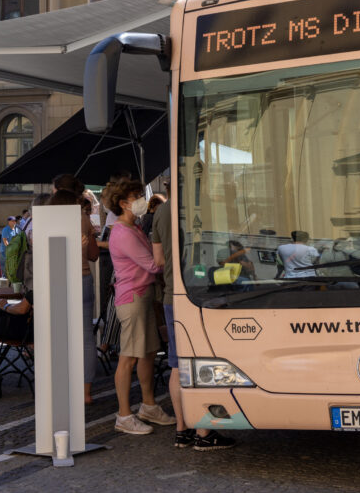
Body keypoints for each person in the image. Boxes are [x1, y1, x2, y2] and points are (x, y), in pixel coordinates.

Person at [151, 198, 235, 451]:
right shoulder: (204, 206)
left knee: (177, 365)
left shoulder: (161, 211)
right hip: (200, 294)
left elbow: (158, 260)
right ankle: (204, 432)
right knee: (203, 362)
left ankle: (182, 431)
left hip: (171, 296)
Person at [103, 178, 175, 435]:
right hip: (132, 299)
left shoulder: (133, 228)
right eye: (136, 196)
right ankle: (123, 415)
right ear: (123, 203)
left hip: (143, 296)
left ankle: (149, 405)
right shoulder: (123, 232)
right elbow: (154, 265)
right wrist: (164, 246)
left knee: (146, 353)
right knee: (128, 358)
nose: (141, 200)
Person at [49, 187, 100, 404]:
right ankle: (85, 392)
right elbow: (94, 255)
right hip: (83, 278)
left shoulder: (49, 221)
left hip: (59, 280)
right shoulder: (84, 219)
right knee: (86, 339)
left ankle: (60, 387)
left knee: (58, 337)